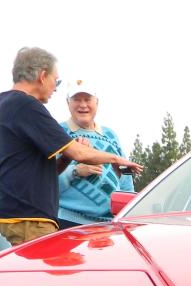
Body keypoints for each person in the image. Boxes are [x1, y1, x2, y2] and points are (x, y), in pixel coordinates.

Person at [0, 47, 142, 246]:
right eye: (56, 81)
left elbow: (43, 169)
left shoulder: (7, 104)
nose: (55, 88)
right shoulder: (26, 106)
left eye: (88, 99)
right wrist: (115, 159)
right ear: (43, 76)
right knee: (45, 275)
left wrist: (67, 158)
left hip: (20, 214)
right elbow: (78, 152)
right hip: (30, 219)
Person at [56, 79, 135, 228]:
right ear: (68, 103)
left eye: (87, 99)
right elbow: (45, 183)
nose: (83, 105)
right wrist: (75, 171)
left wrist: (128, 211)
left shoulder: (110, 135)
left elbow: (125, 179)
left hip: (110, 225)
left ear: (97, 102)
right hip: (69, 223)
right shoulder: (57, 132)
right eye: (76, 100)